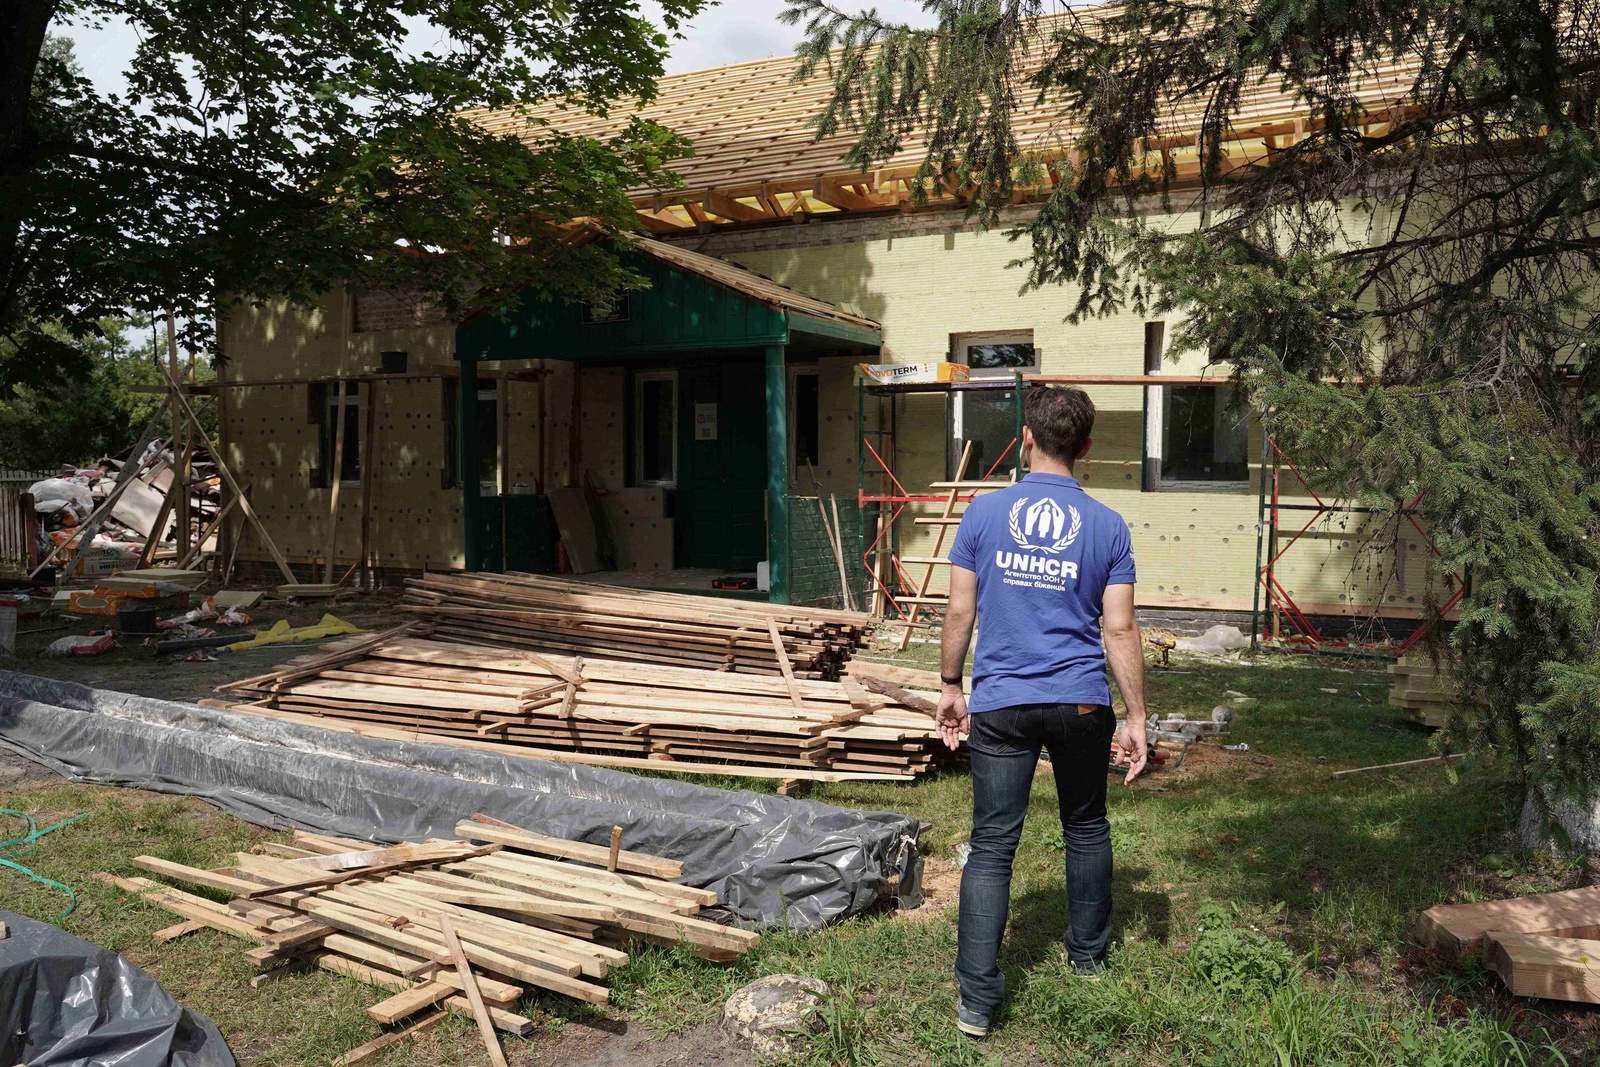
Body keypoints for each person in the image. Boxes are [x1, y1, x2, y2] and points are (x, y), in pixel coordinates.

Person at [936, 384, 1149, 1038]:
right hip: (1080, 701)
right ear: (1086, 447)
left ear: (1025, 438)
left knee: (992, 846)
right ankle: (1087, 958)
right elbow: (1119, 629)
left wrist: (950, 684)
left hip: (1001, 703)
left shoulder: (982, 513)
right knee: (1085, 826)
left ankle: (977, 1000)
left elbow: (960, 610)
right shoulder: (1109, 526)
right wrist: (1137, 717)